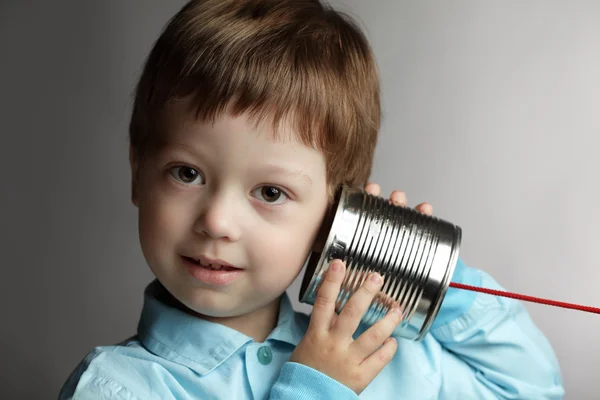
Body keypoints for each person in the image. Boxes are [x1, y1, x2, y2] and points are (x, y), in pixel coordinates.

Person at [59, 0, 564, 398]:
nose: (217, 221)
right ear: (137, 172)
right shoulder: (116, 387)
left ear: (333, 216)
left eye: (271, 192)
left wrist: (429, 276)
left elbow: (526, 388)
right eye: (187, 173)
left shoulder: (371, 355)